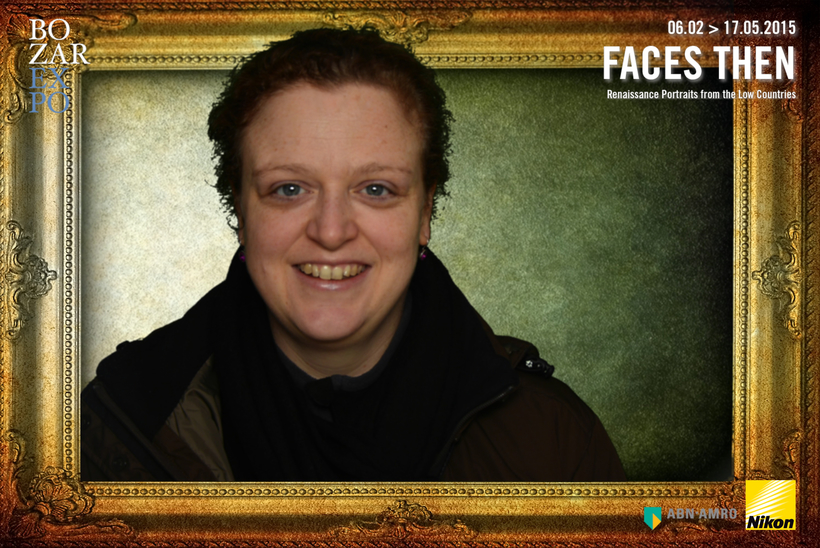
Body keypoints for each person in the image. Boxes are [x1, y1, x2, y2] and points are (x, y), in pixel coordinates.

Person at [81, 28, 625, 482]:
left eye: (376, 189)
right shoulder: (117, 427)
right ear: (241, 210)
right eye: (289, 189)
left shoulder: (554, 441)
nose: (331, 231)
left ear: (425, 213)